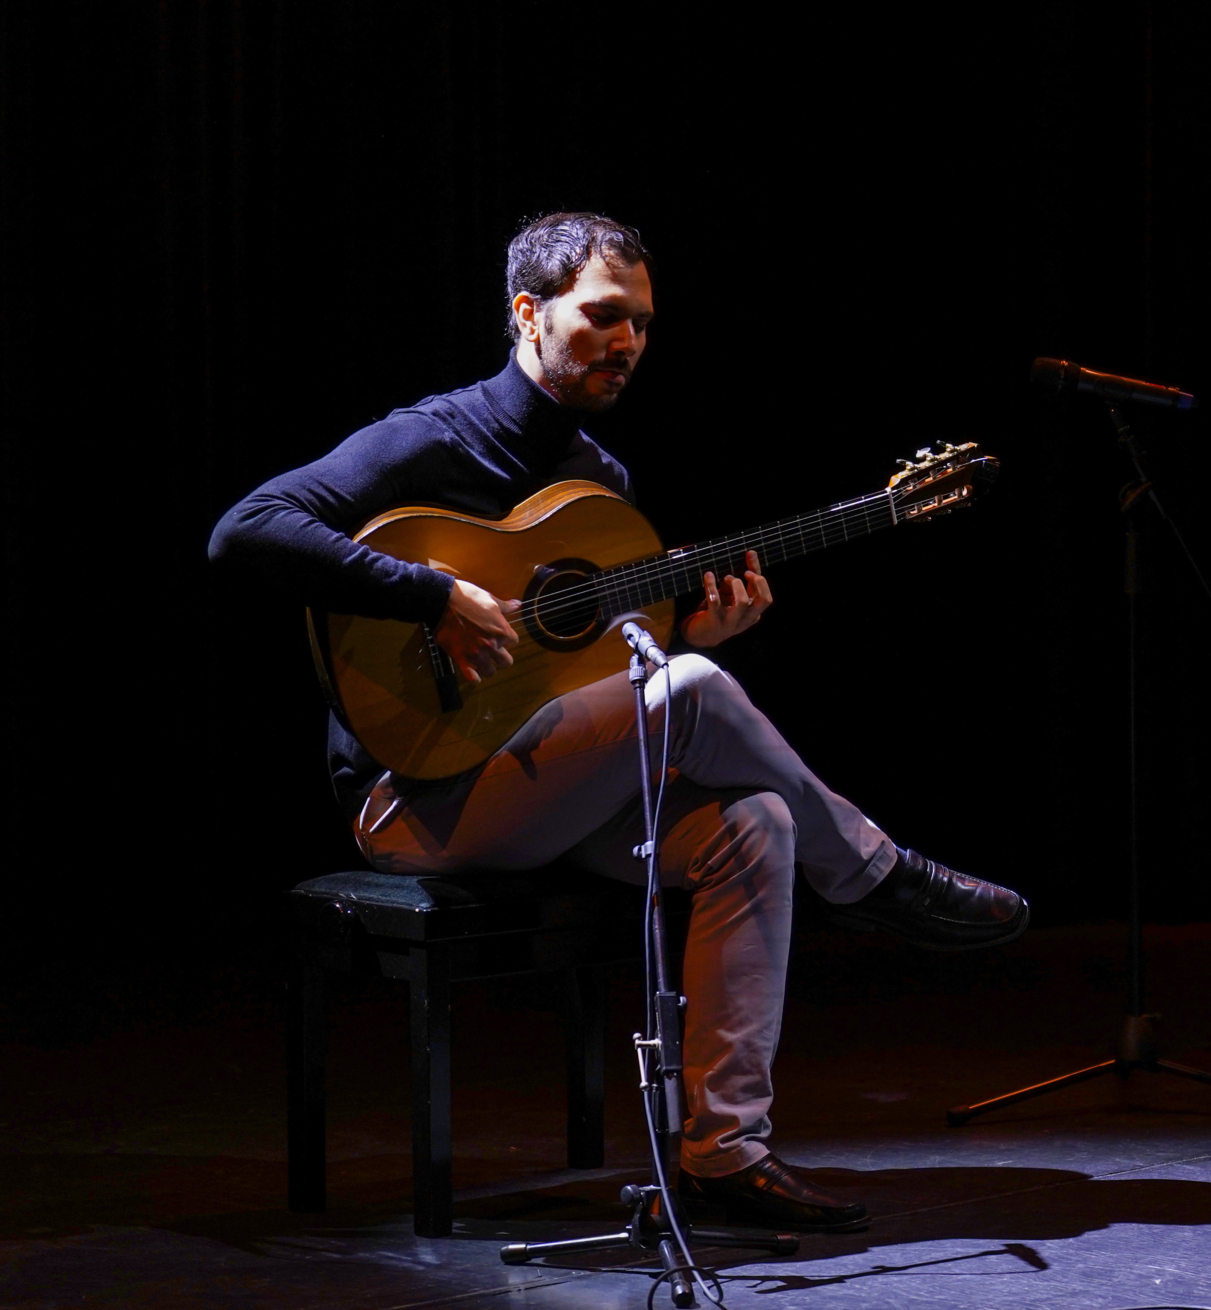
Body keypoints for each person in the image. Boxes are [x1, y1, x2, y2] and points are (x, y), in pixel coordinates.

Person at [207, 212, 1028, 1233]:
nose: (626, 342)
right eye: (602, 317)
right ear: (527, 313)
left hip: (537, 789)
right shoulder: (431, 436)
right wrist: (429, 596)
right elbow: (246, 530)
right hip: (412, 798)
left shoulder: (600, 490)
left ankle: (722, 1154)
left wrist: (706, 633)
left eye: (640, 322)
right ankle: (870, 873)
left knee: (754, 824)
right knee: (687, 692)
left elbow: (595, 671)